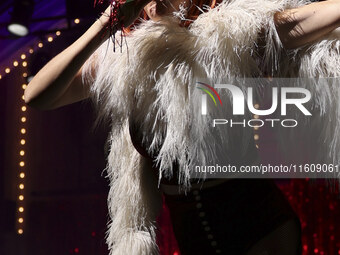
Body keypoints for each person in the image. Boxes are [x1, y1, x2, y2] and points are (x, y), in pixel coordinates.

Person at [24, 0, 340, 254]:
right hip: (191, 230)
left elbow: (309, 18)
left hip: (257, 220)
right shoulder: (122, 60)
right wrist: (105, 25)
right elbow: (37, 96)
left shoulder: (229, 36)